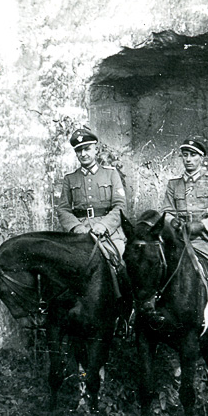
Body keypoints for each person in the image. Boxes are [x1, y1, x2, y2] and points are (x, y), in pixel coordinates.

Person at [162, 137, 208, 336]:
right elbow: (167, 212)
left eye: (193, 155)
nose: (188, 159)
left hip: (204, 240)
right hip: (179, 239)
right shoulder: (174, 184)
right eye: (185, 155)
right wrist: (174, 223)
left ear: (202, 158)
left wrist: (200, 226)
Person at [54, 127, 127, 298]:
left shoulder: (110, 174)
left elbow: (120, 206)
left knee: (115, 265)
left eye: (87, 149)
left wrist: (103, 225)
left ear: (96, 149)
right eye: (79, 150)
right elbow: (63, 209)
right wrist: (77, 228)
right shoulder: (70, 179)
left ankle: (123, 309)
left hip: (109, 235)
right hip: (81, 235)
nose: (83, 154)